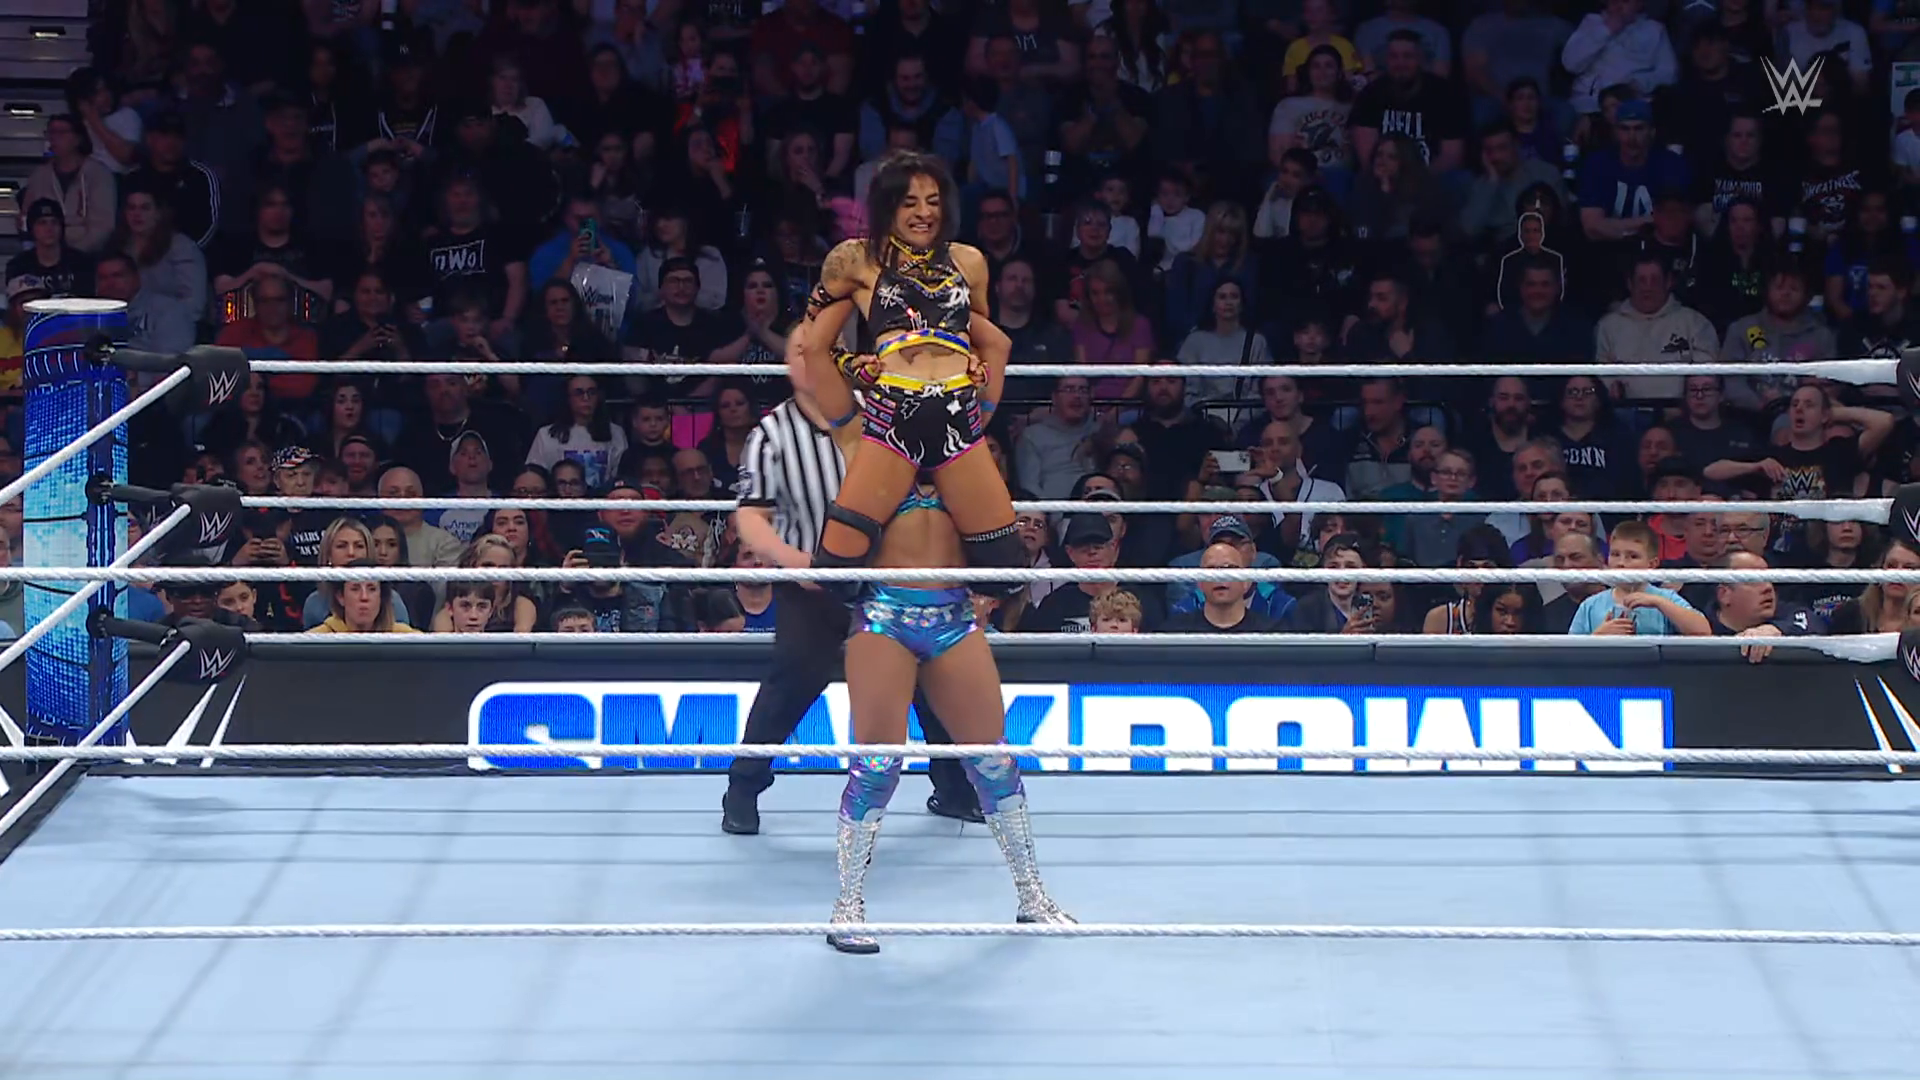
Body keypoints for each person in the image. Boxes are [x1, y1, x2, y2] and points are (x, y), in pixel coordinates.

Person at [810, 375, 1073, 954]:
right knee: (877, 762)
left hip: (953, 616)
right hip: (884, 616)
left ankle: (1031, 895)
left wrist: (964, 337)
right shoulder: (868, 445)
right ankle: (847, 904)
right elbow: (813, 360)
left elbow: (995, 348)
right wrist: (853, 332)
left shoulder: (966, 449)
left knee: (994, 759)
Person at [724, 377, 982, 835]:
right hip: (811, 582)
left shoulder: (886, 410)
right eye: (801, 351)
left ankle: (955, 788)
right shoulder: (772, 433)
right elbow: (751, 514)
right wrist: (792, 561)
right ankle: (742, 789)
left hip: (887, 577)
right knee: (793, 679)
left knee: (927, 675)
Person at [793, 150, 1021, 602]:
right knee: (837, 569)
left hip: (957, 411)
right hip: (895, 411)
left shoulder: (969, 261)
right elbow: (811, 331)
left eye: (933, 201)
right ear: (888, 206)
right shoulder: (855, 259)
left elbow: (984, 334)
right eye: (910, 202)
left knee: (1005, 566)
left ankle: (942, 620)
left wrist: (978, 378)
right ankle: (876, 625)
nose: (924, 213)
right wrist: (851, 365)